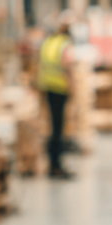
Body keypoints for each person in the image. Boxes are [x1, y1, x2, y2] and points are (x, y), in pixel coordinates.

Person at [38, 19, 74, 179]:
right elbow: (67, 65)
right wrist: (73, 86)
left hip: (47, 87)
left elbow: (39, 63)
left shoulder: (47, 43)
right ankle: (56, 165)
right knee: (58, 128)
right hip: (60, 88)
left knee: (52, 125)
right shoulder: (64, 44)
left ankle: (53, 162)